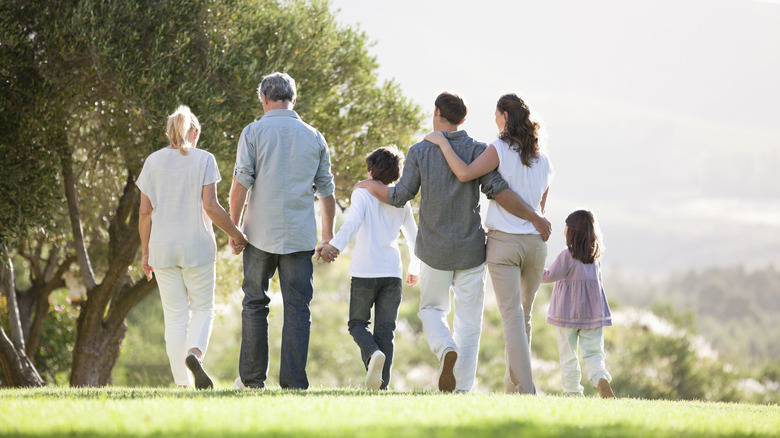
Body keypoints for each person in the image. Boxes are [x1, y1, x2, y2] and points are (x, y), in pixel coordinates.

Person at [356, 92, 551, 393]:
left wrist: (369, 185)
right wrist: (535, 216)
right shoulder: (478, 149)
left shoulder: (420, 151)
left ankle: (445, 347)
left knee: (431, 310)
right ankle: (463, 388)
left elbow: (398, 197)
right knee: (470, 324)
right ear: (463, 120)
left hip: (434, 251)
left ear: (436, 112)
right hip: (472, 249)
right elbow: (496, 189)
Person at [423, 93, 554, 393]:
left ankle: (526, 390)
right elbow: (541, 204)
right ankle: (514, 387)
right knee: (523, 317)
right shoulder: (544, 157)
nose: (495, 120)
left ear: (504, 116)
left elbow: (465, 173)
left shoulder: (498, 149)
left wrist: (443, 142)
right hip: (536, 245)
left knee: (511, 317)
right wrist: (534, 219)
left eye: (496, 115)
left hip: (505, 244)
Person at [229, 72, 336, 390]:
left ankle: (251, 380)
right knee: (298, 308)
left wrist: (234, 230)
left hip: (259, 234)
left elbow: (240, 185)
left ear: (263, 98)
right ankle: (293, 383)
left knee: (254, 303)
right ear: (294, 98)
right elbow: (327, 192)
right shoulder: (315, 136)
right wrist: (326, 237)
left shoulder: (253, 132)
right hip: (300, 237)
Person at [137, 105, 248, 389]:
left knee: (175, 316)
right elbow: (210, 206)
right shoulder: (205, 159)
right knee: (202, 308)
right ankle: (194, 353)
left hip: (162, 248)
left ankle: (182, 382)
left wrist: (146, 252)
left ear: (169, 132)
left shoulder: (152, 161)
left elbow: (145, 213)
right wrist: (237, 234)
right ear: (195, 132)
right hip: (197, 247)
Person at [319, 146, 421, 390]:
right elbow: (413, 238)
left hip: (365, 271)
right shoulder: (402, 201)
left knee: (357, 324)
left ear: (371, 170)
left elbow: (352, 224)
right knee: (386, 331)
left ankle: (372, 353)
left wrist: (333, 247)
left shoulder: (362, 193)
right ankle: (381, 385)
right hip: (392, 273)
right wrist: (414, 268)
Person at [541, 210, 615, 398]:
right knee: (593, 354)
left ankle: (573, 392)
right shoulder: (595, 257)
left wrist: (530, 268)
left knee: (568, 355)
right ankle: (600, 378)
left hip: (567, 315)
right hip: (593, 315)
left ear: (571, 231)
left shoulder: (567, 255)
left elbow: (549, 276)